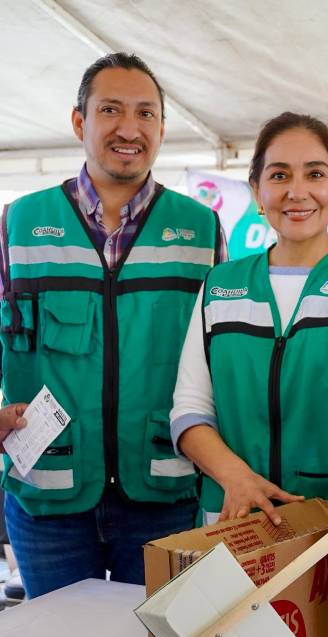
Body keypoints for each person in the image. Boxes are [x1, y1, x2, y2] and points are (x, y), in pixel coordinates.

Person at [0, 52, 225, 598]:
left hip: (165, 495)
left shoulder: (200, 230)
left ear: (163, 128)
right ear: (80, 122)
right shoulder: (19, 223)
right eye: (111, 110)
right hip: (47, 499)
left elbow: (225, 353)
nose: (130, 128)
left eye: (146, 114)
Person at [171, 112, 328, 525]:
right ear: (257, 192)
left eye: (315, 174)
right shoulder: (218, 286)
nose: (297, 192)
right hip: (233, 518)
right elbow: (190, 410)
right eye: (280, 175)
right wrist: (237, 477)